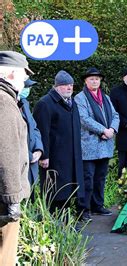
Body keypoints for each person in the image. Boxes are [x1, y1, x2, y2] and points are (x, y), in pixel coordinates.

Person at [33, 70, 86, 217]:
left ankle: (65, 222)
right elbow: (42, 132)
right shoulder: (45, 104)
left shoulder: (72, 103)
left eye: (71, 85)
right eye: (65, 85)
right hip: (54, 157)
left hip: (71, 156)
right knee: (54, 191)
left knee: (68, 190)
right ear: (56, 87)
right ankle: (53, 223)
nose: (69, 88)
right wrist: (44, 155)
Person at [0, 51, 32, 265]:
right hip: (3, 199)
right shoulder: (4, 102)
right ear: (11, 74)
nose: (25, 81)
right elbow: (6, 151)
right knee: (5, 255)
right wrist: (12, 199)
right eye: (23, 75)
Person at [75, 68, 119, 219]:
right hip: (89, 145)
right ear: (86, 81)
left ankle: (97, 206)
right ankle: (84, 209)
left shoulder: (105, 97)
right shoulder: (80, 98)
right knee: (87, 179)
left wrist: (112, 129)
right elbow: (84, 119)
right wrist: (103, 130)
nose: (95, 81)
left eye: (97, 79)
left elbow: (115, 115)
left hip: (105, 145)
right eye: (91, 79)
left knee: (101, 178)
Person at [19, 79, 43, 201]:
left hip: (31, 160)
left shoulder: (24, 103)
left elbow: (34, 128)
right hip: (20, 162)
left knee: (30, 196)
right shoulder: (7, 104)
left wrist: (39, 150)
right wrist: (28, 155)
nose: (27, 90)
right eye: (25, 86)